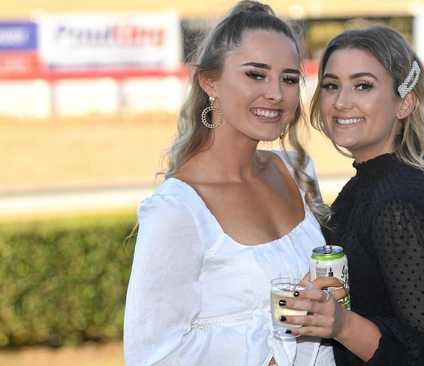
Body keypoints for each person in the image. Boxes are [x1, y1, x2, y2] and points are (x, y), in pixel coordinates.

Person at [123, 2, 339, 366]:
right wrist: (285, 340)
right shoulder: (178, 210)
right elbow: (153, 356)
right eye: (256, 75)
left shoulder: (298, 172)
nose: (276, 93)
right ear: (210, 82)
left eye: (288, 79)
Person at [279, 26, 424, 365]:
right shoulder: (376, 182)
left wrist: (342, 324)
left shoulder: (398, 200)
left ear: (405, 103)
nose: (342, 101)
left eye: (363, 85)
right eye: (331, 86)